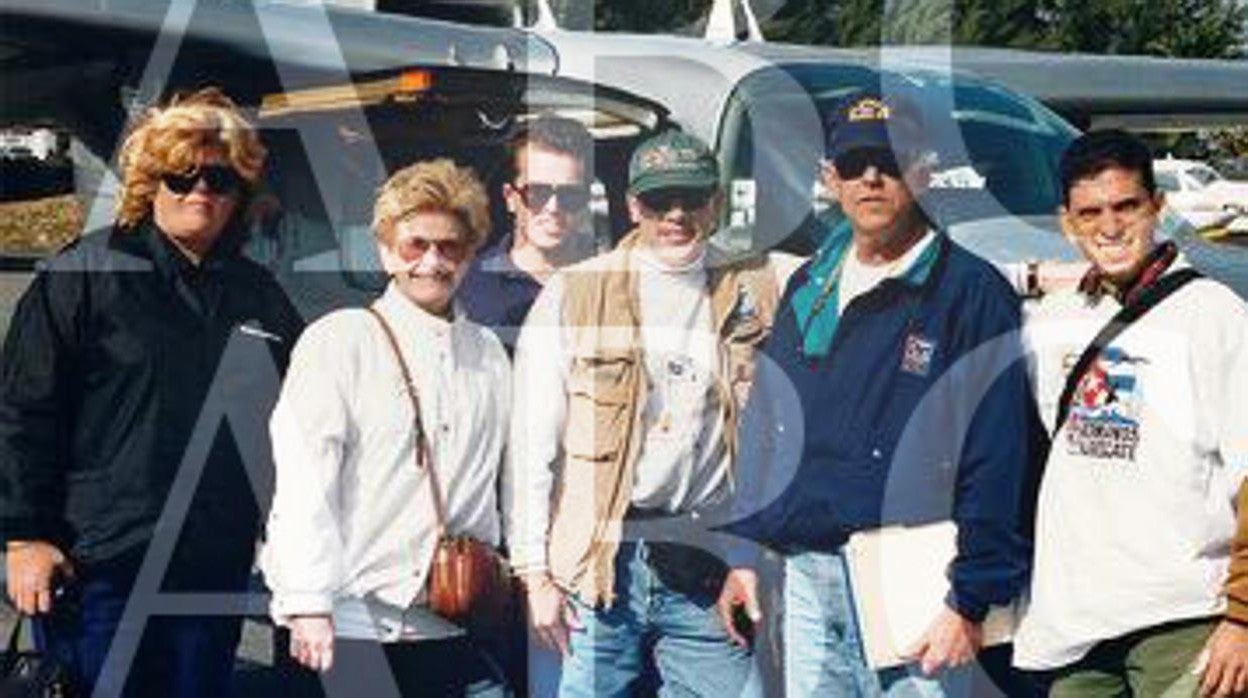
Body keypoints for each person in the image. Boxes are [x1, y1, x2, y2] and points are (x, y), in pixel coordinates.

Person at [718, 90, 1035, 696]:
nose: (871, 178)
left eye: (890, 163)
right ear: (829, 177)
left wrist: (969, 600)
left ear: (923, 171)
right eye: (855, 162)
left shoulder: (970, 292)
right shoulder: (809, 284)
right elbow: (767, 422)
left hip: (919, 585)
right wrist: (743, 551)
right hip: (809, 576)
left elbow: (998, 456)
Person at [0, 87, 303, 696]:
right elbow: (22, 412)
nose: (200, 192)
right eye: (180, 176)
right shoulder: (83, 276)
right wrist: (22, 537)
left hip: (212, 562)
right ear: (149, 182)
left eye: (219, 180)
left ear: (240, 193)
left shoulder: (259, 296)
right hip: (99, 565)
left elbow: (307, 419)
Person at [506, 129, 778, 696]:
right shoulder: (574, 293)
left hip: (706, 561)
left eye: (692, 198)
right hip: (601, 567)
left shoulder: (757, 284)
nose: (675, 215)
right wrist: (536, 576)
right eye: (658, 201)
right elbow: (533, 446)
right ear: (633, 205)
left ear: (715, 202)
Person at [261, 158, 510, 696]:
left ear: (470, 255)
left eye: (451, 247)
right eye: (414, 245)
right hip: (349, 625)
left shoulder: (489, 354)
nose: (432, 261)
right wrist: (307, 604)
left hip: (452, 618)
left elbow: (496, 483)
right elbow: (305, 480)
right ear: (384, 250)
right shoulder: (342, 340)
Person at [1012, 129, 1248, 697]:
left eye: (1126, 206)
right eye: (1090, 212)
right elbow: (955, 288)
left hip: (1184, 615)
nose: (1110, 226)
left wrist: (1242, 618)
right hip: (1077, 626)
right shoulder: (1052, 320)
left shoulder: (1214, 315)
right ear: (1066, 221)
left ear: (1157, 207)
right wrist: (1033, 276)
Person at [457, 114, 596, 347]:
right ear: (510, 198)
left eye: (570, 195)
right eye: (537, 193)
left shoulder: (613, 280)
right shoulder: (467, 286)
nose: (553, 208)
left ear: (586, 201)